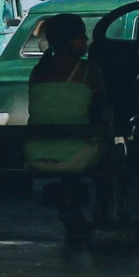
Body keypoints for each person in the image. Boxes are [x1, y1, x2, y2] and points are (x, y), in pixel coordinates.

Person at [28, 12, 100, 239]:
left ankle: (71, 209)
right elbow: (101, 109)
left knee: (69, 139)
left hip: (34, 152)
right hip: (75, 155)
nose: (86, 42)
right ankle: (104, 213)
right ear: (72, 41)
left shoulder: (38, 71)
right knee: (108, 150)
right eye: (83, 37)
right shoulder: (88, 71)